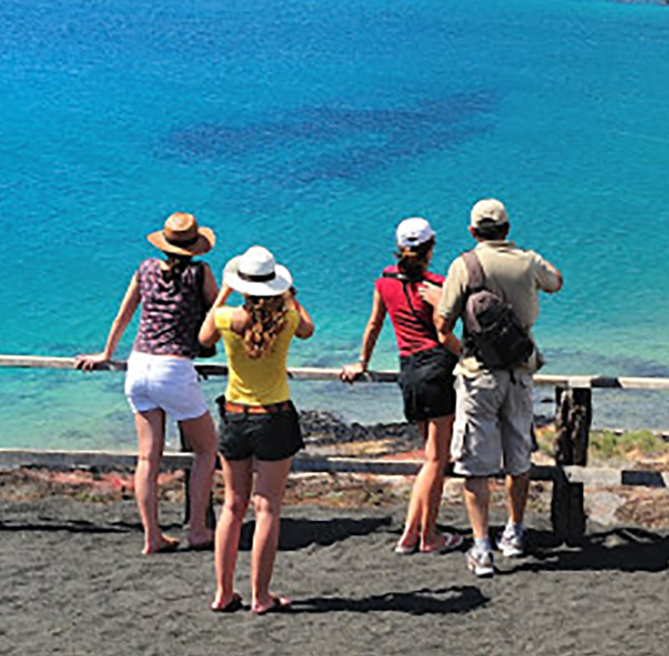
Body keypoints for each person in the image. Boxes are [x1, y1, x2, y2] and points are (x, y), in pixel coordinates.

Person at [72, 211, 223, 555]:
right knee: (206, 450)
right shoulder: (201, 272)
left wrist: (106, 353)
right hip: (174, 368)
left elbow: (124, 315)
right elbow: (217, 314)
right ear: (195, 248)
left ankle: (152, 536)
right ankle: (198, 529)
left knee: (147, 459)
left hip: (138, 366)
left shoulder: (145, 268)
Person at [432, 197, 563, 578]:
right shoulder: (527, 261)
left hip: (478, 374)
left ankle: (482, 547)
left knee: (475, 463)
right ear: (507, 229)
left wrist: (466, 355)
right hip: (520, 372)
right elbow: (557, 281)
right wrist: (531, 258)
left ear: (473, 231)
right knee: (518, 456)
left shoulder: (464, 265)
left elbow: (443, 327)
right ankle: (515, 533)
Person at [338, 216, 466, 555]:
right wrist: (471, 356)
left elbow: (373, 324)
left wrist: (361, 362)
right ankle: (425, 536)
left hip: (407, 372)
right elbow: (444, 332)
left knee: (431, 459)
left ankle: (414, 535)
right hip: (437, 370)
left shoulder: (384, 282)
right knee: (437, 461)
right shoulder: (436, 284)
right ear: (431, 247)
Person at [199, 245, 315, 614]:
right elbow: (310, 330)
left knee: (232, 506)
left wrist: (224, 292)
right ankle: (261, 596)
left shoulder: (224, 318)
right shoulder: (287, 321)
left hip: (235, 416)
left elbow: (203, 338)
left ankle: (222, 592)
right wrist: (290, 296)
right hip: (274, 417)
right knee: (267, 508)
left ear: (243, 286)